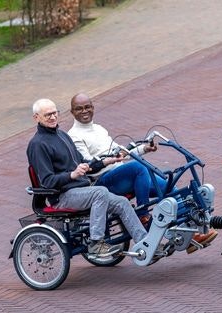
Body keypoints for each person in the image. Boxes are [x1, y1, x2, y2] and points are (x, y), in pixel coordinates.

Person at [67, 93, 217, 254]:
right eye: (79, 108)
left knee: (169, 188)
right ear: (72, 112)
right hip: (103, 181)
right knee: (138, 168)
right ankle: (142, 215)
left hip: (122, 175)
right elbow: (89, 165)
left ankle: (188, 235)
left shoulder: (99, 129)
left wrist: (144, 148)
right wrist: (110, 160)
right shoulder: (74, 136)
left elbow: (122, 151)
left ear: (93, 107)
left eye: (87, 107)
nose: (84, 111)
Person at [27, 98, 148, 258]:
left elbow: (83, 164)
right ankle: (96, 244)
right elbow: (47, 181)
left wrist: (105, 161)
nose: (53, 117)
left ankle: (146, 245)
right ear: (37, 118)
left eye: (54, 113)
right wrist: (72, 174)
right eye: (47, 115)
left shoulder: (62, 135)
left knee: (122, 202)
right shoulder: (38, 145)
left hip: (81, 190)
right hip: (62, 197)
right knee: (100, 192)